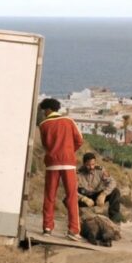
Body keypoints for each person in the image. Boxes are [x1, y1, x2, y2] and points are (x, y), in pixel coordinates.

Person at [38, 98, 83, 241]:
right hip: (68, 163)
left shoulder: (43, 125)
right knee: (72, 196)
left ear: (48, 109)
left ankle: (47, 227)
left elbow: (46, 145)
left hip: (52, 163)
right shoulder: (69, 121)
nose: (44, 113)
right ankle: (74, 230)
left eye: (44, 110)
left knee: (49, 196)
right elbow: (79, 140)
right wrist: (69, 151)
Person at [76, 152, 122, 222]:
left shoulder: (100, 170)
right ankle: (76, 219)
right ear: (84, 164)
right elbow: (71, 190)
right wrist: (83, 198)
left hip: (97, 196)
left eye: (93, 164)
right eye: (88, 165)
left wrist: (103, 194)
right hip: (84, 196)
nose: (91, 167)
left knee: (115, 192)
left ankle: (115, 221)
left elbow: (112, 182)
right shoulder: (78, 174)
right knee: (68, 199)